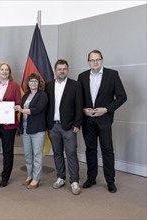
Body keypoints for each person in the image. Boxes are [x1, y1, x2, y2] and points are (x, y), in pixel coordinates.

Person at [78, 50, 127, 193]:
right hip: (88, 121)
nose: (95, 62)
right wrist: (82, 109)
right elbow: (78, 98)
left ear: (102, 60)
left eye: (97, 59)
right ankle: (91, 178)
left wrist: (106, 109)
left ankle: (110, 181)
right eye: (92, 60)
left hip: (104, 120)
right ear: (88, 61)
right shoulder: (82, 76)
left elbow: (122, 96)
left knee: (107, 150)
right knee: (90, 150)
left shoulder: (112, 75)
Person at [45, 59, 83, 195]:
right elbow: (46, 106)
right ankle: (61, 177)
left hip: (69, 127)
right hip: (53, 126)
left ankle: (74, 181)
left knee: (71, 154)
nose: (62, 71)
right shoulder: (48, 85)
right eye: (59, 69)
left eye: (64, 69)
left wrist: (77, 124)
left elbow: (79, 106)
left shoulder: (75, 85)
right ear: (55, 70)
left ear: (67, 70)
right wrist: (46, 125)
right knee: (57, 153)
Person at [15, 73, 48, 189]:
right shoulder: (25, 96)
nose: (33, 83)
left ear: (39, 83)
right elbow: (22, 112)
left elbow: (38, 109)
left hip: (38, 129)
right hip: (25, 129)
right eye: (31, 81)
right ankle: (30, 175)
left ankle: (36, 178)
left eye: (35, 81)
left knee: (37, 154)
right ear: (28, 83)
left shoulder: (43, 95)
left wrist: (22, 109)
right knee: (28, 155)